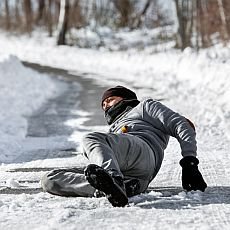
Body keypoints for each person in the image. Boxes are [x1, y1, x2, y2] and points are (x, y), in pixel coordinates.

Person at [41, 86, 207, 207]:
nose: (105, 105)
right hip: (137, 178)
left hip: (143, 150)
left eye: (110, 99)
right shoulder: (113, 129)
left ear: (125, 98)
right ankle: (116, 188)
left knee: (91, 138)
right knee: (50, 179)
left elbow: (182, 124)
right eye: (103, 104)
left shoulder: (144, 107)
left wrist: (190, 162)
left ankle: (113, 179)